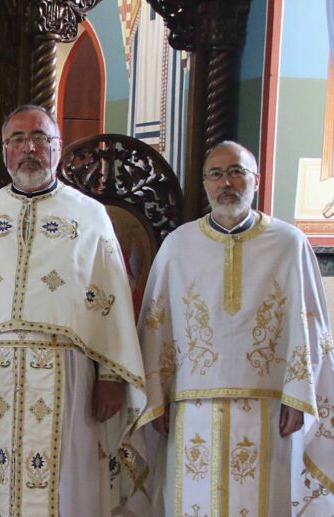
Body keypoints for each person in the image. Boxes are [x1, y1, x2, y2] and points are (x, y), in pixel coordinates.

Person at [0, 105, 146, 516]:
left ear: (58, 149)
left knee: (67, 481)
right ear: (4, 151)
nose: (30, 148)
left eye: (41, 138)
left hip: (68, 375)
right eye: (18, 139)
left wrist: (111, 376)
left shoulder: (89, 216)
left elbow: (111, 301)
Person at [130, 141, 334, 515]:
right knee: (194, 499)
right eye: (217, 174)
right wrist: (156, 399)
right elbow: (156, 325)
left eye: (237, 172)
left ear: (255, 179)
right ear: (205, 184)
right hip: (192, 407)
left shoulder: (289, 244)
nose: (227, 183)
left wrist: (299, 394)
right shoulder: (179, 246)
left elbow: (311, 324)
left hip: (269, 406)